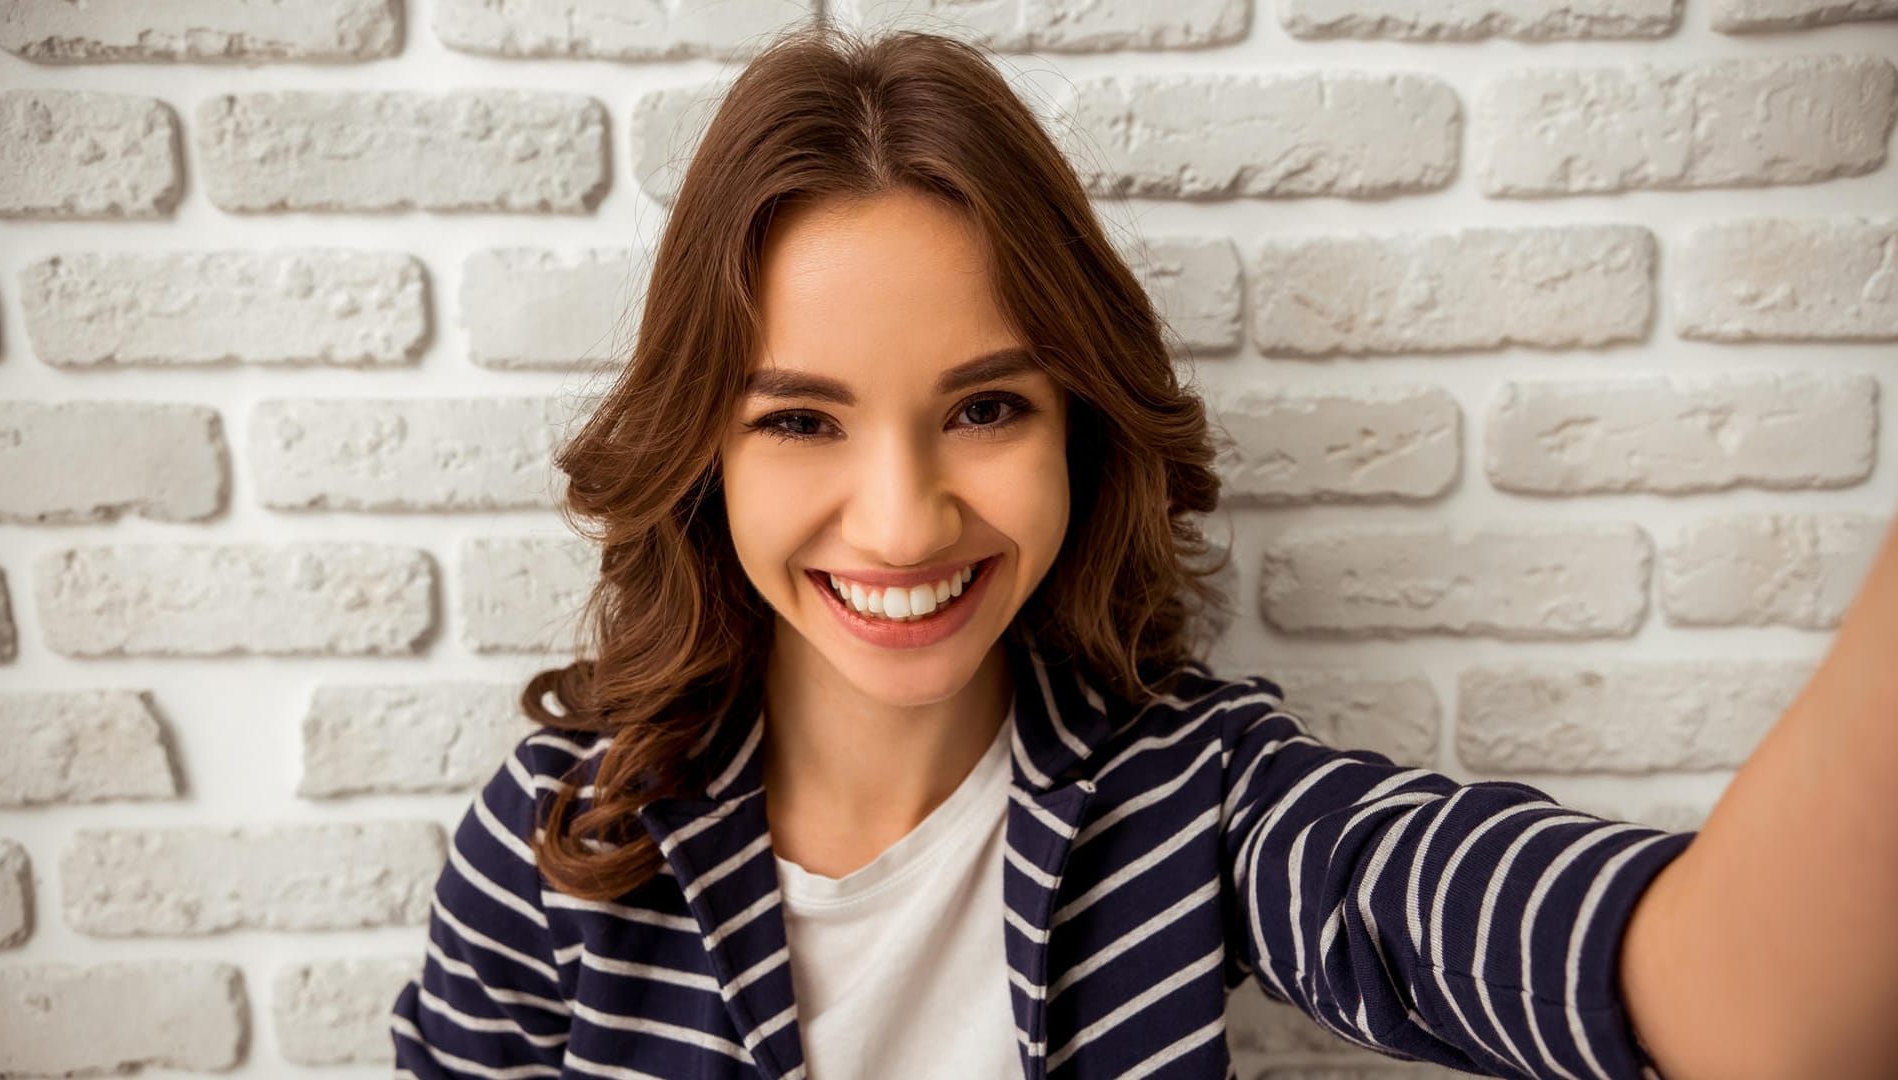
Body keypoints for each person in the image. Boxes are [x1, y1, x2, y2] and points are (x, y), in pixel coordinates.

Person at [390, 21, 1898, 1080]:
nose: (905, 520)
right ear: (700, 457)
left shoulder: (1202, 801)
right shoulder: (563, 834)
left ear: (1080, 432)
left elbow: (1717, 1008)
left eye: (984, 406)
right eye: (801, 423)